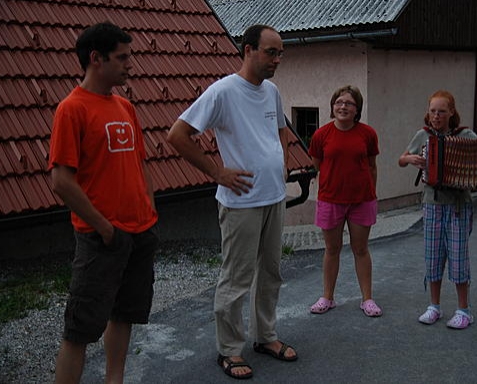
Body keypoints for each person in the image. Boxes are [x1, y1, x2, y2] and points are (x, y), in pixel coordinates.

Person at [167, 24, 297, 380]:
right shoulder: (223, 92)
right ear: (248, 50)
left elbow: (282, 129)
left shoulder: (271, 91)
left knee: (271, 272)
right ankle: (229, 349)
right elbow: (178, 135)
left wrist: (283, 162)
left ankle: (266, 337)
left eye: (280, 53)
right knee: (237, 278)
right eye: (271, 52)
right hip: (241, 202)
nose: (277, 60)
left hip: (273, 196)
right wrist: (217, 172)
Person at [49, 22, 159, 383]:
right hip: (102, 238)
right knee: (79, 330)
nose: (130, 64)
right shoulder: (72, 109)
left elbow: (139, 163)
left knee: (123, 315)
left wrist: (149, 208)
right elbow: (61, 181)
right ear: (96, 59)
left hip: (140, 231)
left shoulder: (125, 107)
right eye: (122, 57)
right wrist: (105, 228)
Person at [398, 90, 477, 329]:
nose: (436, 116)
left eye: (441, 111)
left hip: (458, 206)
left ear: (451, 112)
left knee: (458, 258)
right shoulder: (423, 136)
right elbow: (401, 159)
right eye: (433, 111)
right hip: (432, 204)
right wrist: (410, 159)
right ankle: (434, 306)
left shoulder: (464, 135)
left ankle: (464, 310)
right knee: (433, 257)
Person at [308, 85, 382, 317]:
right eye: (339, 102)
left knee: (361, 249)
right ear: (332, 107)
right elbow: (317, 165)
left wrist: (371, 193)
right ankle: (327, 297)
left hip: (361, 200)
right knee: (332, 249)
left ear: (357, 109)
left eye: (349, 103)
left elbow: (371, 166)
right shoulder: (321, 135)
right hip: (330, 200)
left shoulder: (368, 134)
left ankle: (367, 299)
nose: (343, 107)